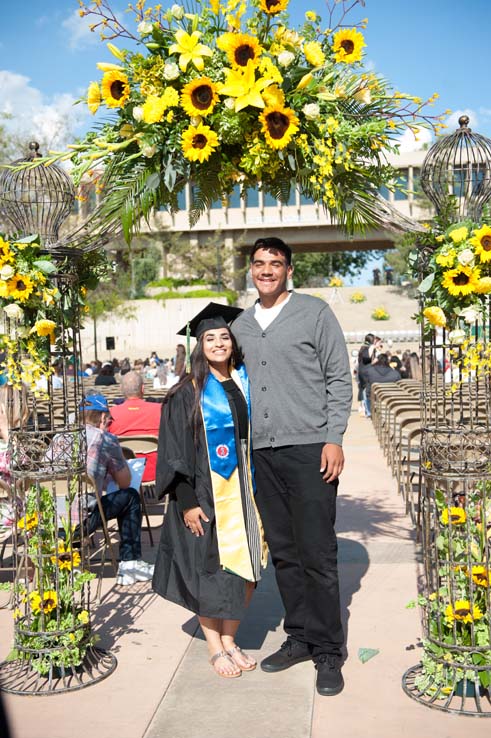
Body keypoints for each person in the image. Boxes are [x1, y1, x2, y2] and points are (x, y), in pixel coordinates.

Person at [232, 237, 352, 697]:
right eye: (259, 263)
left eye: (275, 263)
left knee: (318, 552)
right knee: (283, 550)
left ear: (288, 269)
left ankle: (328, 650)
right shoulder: (240, 325)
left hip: (309, 448)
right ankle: (299, 635)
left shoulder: (314, 313)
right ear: (251, 270)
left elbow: (339, 378)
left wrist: (333, 438)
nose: (266, 270)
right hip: (261, 453)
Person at [153, 303, 267, 679]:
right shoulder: (187, 391)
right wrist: (186, 501)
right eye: (210, 338)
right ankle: (215, 646)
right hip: (206, 490)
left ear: (233, 342)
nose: (219, 343)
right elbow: (174, 450)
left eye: (224, 336)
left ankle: (231, 638)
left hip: (246, 490)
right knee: (211, 570)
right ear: (199, 346)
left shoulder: (246, 381)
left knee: (250, 565)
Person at [80, 394, 154, 586]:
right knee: (130, 496)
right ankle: (130, 563)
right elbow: (124, 482)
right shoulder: (106, 439)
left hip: (51, 520)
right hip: (83, 521)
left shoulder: (59, 437)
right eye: (109, 421)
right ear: (103, 418)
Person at [107, 371, 162, 483]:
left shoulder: (111, 414)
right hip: (156, 472)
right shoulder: (160, 410)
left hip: (121, 474)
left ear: (121, 390)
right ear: (143, 389)